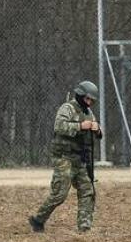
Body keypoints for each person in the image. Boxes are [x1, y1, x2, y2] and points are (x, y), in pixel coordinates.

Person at [29, 81, 101, 233]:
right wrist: (79, 126)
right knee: (59, 194)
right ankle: (38, 220)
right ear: (80, 95)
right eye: (87, 99)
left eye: (91, 100)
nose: (89, 103)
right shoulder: (67, 108)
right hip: (64, 157)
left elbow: (96, 131)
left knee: (88, 192)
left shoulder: (88, 113)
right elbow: (59, 126)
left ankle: (85, 227)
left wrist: (97, 129)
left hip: (80, 159)